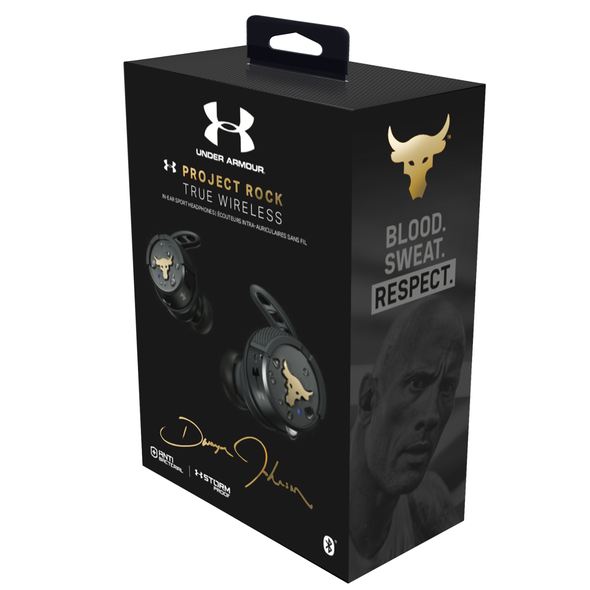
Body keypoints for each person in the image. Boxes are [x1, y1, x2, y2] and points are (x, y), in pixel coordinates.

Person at [349, 295, 466, 579]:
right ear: (368, 400)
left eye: (446, 388)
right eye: (417, 383)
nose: (432, 415)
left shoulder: (429, 506)